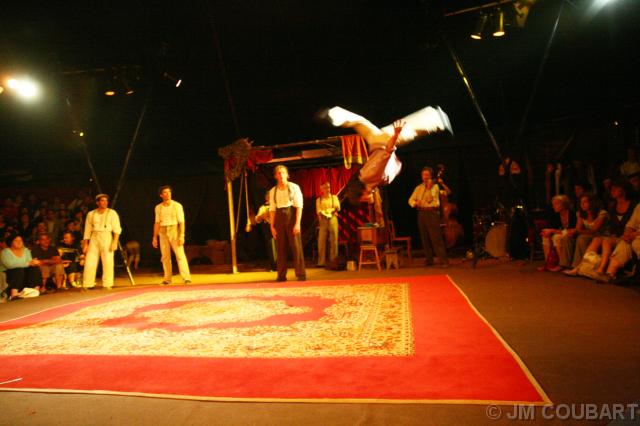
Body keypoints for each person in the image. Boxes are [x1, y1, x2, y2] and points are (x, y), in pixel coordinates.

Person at [323, 105, 452, 205]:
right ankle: (333, 114)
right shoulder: (366, 180)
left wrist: (395, 135)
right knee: (360, 122)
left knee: (411, 130)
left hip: (383, 142)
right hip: (375, 141)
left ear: (360, 193)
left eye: (362, 199)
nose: (365, 201)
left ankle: (438, 118)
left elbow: (385, 154)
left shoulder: (370, 176)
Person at [269, 165, 306, 282]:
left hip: (291, 215)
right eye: (278, 173)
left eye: (283, 172)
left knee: (296, 247)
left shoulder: (294, 187)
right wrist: (272, 226)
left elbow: (299, 206)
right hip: (279, 217)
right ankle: (281, 275)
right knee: (280, 248)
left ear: (287, 175)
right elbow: (272, 210)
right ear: (275, 176)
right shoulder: (273, 191)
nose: (281, 175)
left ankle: (300, 274)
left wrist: (297, 223)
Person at [408, 166, 449, 267]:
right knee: (424, 237)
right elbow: (410, 200)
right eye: (423, 175)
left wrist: (429, 188)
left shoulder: (435, 187)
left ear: (431, 176)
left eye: (427, 175)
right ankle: (429, 259)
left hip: (432, 213)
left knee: (436, 238)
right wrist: (415, 203)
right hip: (421, 213)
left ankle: (444, 260)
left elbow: (430, 199)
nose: (425, 177)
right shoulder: (418, 188)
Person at [152, 186, 191, 285]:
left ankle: (186, 277)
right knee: (165, 256)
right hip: (162, 230)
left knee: (180, 254)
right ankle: (167, 279)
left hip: (174, 229)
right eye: (165, 192)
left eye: (169, 192)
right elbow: (157, 222)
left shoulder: (177, 205)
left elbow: (182, 222)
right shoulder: (158, 207)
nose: (168, 194)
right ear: (161, 195)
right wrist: (154, 237)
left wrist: (182, 235)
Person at [82, 194, 121, 290]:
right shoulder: (91, 214)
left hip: (106, 236)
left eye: (106, 201)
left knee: (108, 261)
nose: (105, 202)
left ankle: (107, 283)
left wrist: (115, 242)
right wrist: (85, 244)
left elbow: (117, 229)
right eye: (102, 200)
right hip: (94, 236)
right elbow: (87, 229)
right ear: (97, 202)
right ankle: (88, 283)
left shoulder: (112, 213)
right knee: (90, 261)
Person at [538, 195, 576, 272]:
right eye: (553, 204)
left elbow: (570, 230)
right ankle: (548, 263)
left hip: (571, 234)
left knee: (557, 237)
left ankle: (562, 264)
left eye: (556, 204)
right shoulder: (555, 215)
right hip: (561, 233)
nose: (553, 206)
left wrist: (552, 231)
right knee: (546, 236)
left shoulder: (572, 214)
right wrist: (548, 232)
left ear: (563, 204)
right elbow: (553, 227)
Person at [0, 234, 43, 300]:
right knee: (18, 270)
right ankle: (14, 294)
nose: (19, 242)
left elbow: (29, 263)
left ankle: (35, 291)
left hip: (23, 271)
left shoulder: (26, 250)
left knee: (34, 269)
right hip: (9, 271)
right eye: (16, 240)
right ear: (11, 242)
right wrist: (28, 263)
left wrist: (34, 262)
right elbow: (9, 265)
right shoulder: (5, 252)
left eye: (21, 240)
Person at [315, 181, 340, 267]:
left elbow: (337, 207)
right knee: (321, 241)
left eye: (328, 187)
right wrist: (322, 212)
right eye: (325, 188)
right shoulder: (319, 200)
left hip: (332, 218)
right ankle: (321, 262)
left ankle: (333, 261)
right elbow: (318, 210)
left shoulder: (334, 197)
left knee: (334, 240)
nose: (327, 189)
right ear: (321, 189)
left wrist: (332, 210)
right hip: (323, 220)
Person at [255, 191, 276, 271]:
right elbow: (257, 219)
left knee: (279, 246)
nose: (270, 197)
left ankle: (280, 265)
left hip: (277, 226)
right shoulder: (263, 207)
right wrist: (261, 216)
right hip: (267, 227)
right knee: (271, 246)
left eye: (271, 196)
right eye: (268, 196)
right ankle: (274, 266)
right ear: (266, 198)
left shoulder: (276, 205)